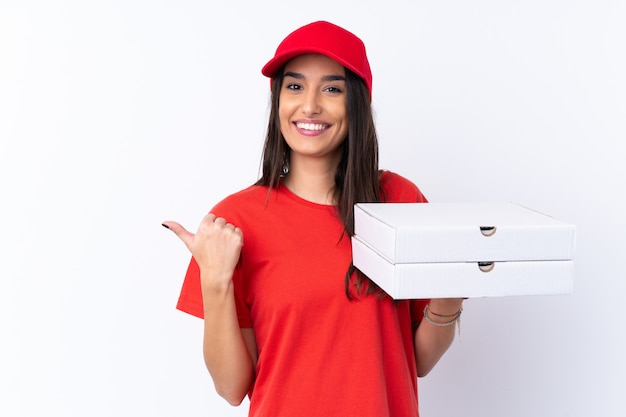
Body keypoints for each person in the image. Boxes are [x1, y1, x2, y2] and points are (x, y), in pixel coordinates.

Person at [162, 20, 464, 417]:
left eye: (332, 88)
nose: (310, 105)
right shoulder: (235, 221)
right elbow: (232, 388)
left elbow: (418, 361)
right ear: (278, 101)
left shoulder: (400, 202)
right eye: (295, 86)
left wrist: (451, 292)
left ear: (356, 102)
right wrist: (215, 281)